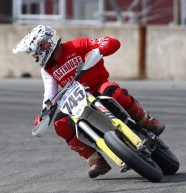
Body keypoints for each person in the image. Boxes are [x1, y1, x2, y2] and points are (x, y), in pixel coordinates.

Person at [13, 25, 165, 179]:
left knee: (113, 91)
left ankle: (145, 120)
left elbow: (112, 42)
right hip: (75, 101)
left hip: (97, 87)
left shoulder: (77, 45)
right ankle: (94, 159)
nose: (36, 58)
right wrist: (43, 114)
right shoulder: (47, 69)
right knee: (60, 124)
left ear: (45, 45)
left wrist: (103, 47)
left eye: (35, 53)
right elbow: (50, 94)